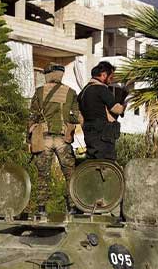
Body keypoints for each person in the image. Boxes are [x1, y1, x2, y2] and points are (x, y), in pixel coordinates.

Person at [28, 62, 80, 218]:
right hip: (63, 139)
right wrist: (67, 121)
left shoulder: (39, 92)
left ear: (47, 74)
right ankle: (72, 207)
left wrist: (28, 140)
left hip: (43, 138)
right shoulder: (71, 92)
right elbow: (77, 116)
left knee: (42, 174)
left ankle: (41, 208)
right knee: (70, 173)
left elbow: (32, 116)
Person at [77, 61, 125, 160]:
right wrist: (124, 105)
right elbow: (116, 109)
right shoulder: (102, 89)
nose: (111, 81)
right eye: (111, 77)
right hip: (103, 134)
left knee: (93, 162)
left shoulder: (83, 92)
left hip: (88, 133)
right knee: (106, 163)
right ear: (104, 75)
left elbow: (80, 115)